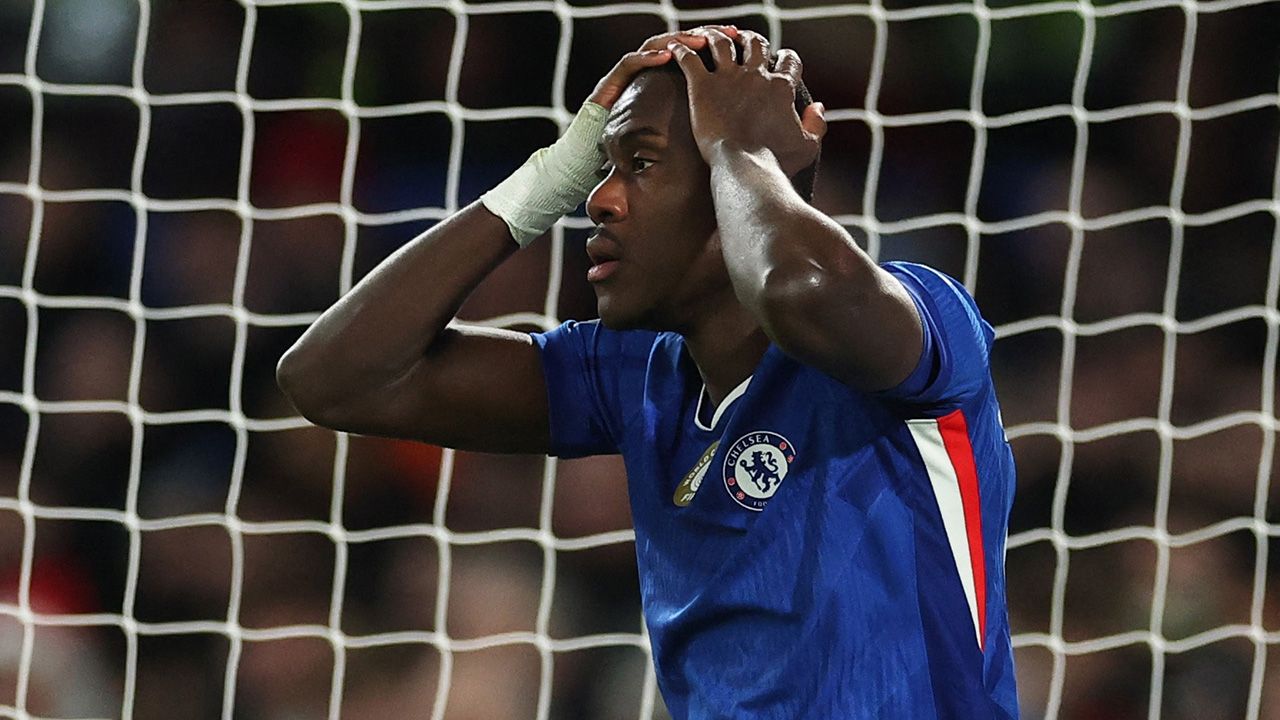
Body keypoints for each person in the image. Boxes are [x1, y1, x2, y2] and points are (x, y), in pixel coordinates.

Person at [277, 25, 1019, 719]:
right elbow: (334, 379)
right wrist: (545, 180)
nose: (598, 199)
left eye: (639, 163)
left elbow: (797, 288)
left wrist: (742, 148)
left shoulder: (922, 323)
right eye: (600, 168)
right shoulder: (628, 374)